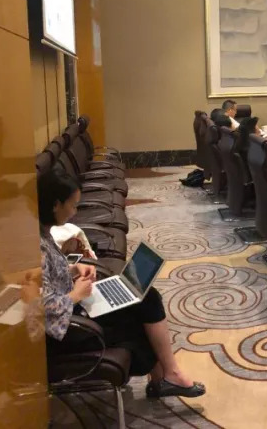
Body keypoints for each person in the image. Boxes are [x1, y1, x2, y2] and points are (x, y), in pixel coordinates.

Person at [38, 169, 205, 399]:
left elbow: (47, 279)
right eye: (73, 205)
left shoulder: (42, 234)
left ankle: (164, 378)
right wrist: (76, 294)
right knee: (143, 311)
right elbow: (41, 308)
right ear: (56, 204)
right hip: (67, 329)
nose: (75, 212)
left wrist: (73, 269)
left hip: (73, 311)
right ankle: (167, 377)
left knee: (144, 297)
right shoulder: (36, 246)